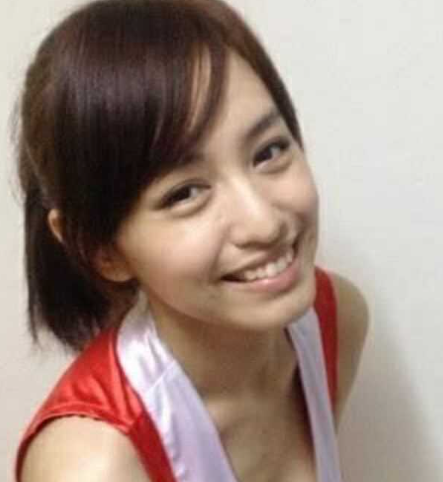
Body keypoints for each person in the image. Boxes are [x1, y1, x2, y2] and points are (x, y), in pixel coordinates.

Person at [14, 0, 368, 481]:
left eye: (268, 151)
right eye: (185, 193)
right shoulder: (96, 465)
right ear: (100, 248)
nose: (263, 223)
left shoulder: (335, 319)